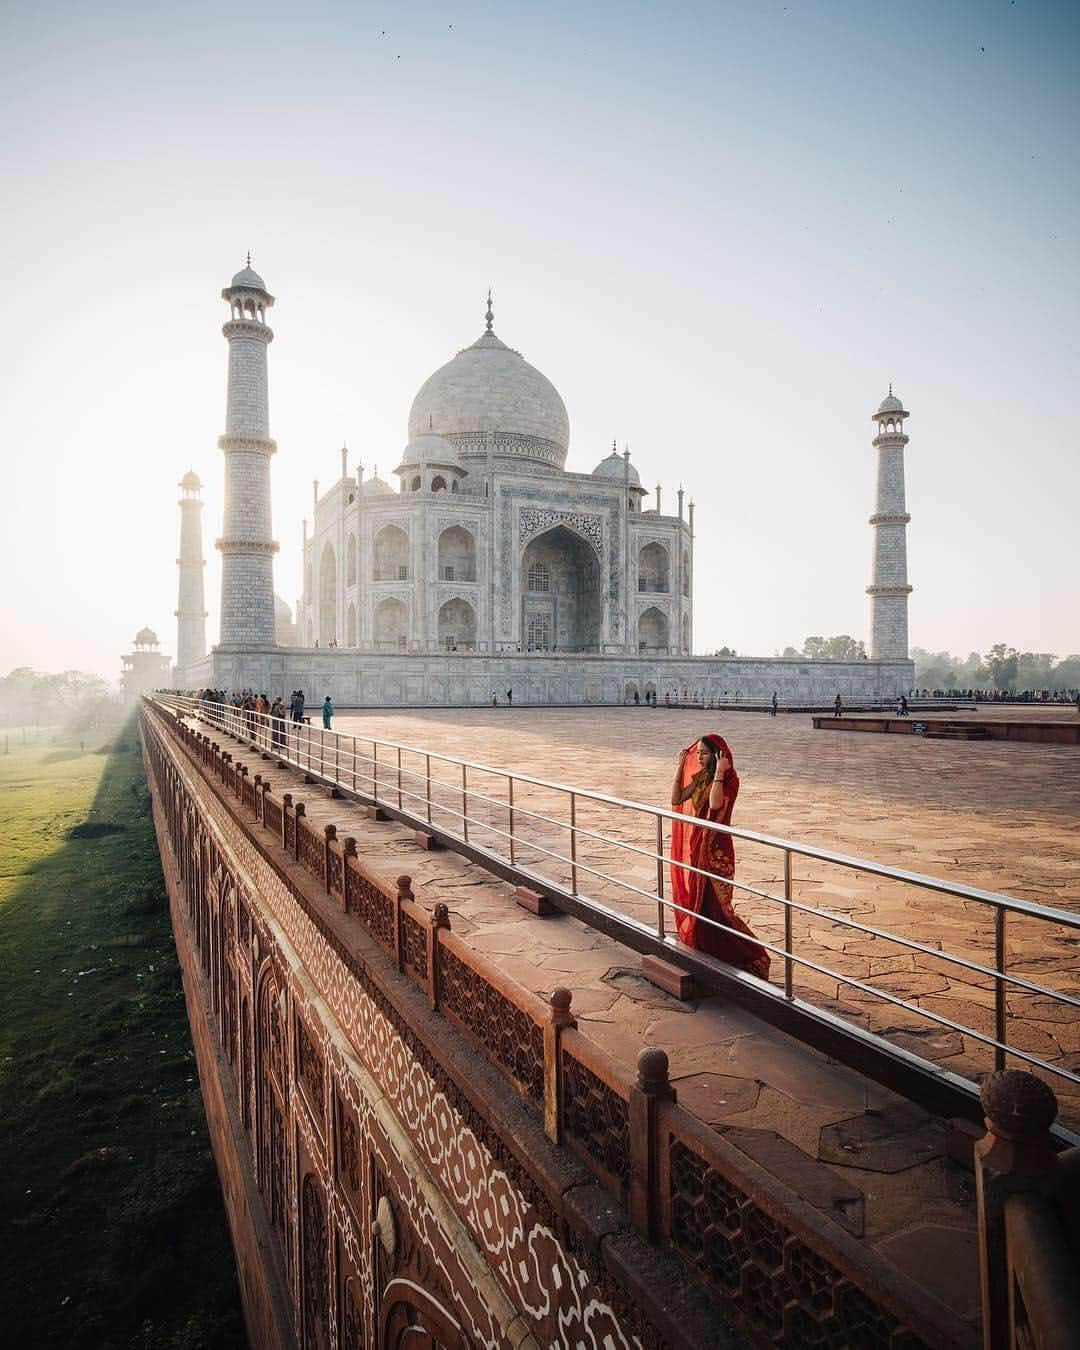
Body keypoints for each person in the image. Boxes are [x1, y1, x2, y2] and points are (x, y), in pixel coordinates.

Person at [669, 735, 769, 979]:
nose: (699, 757)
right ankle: (707, 948)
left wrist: (720, 773)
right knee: (700, 904)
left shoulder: (729, 780)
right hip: (698, 844)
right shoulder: (703, 777)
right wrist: (681, 766)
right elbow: (676, 799)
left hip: (716, 850)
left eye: (704, 753)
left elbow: (715, 805)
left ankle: (751, 955)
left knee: (718, 908)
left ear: (718, 756)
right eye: (698, 753)